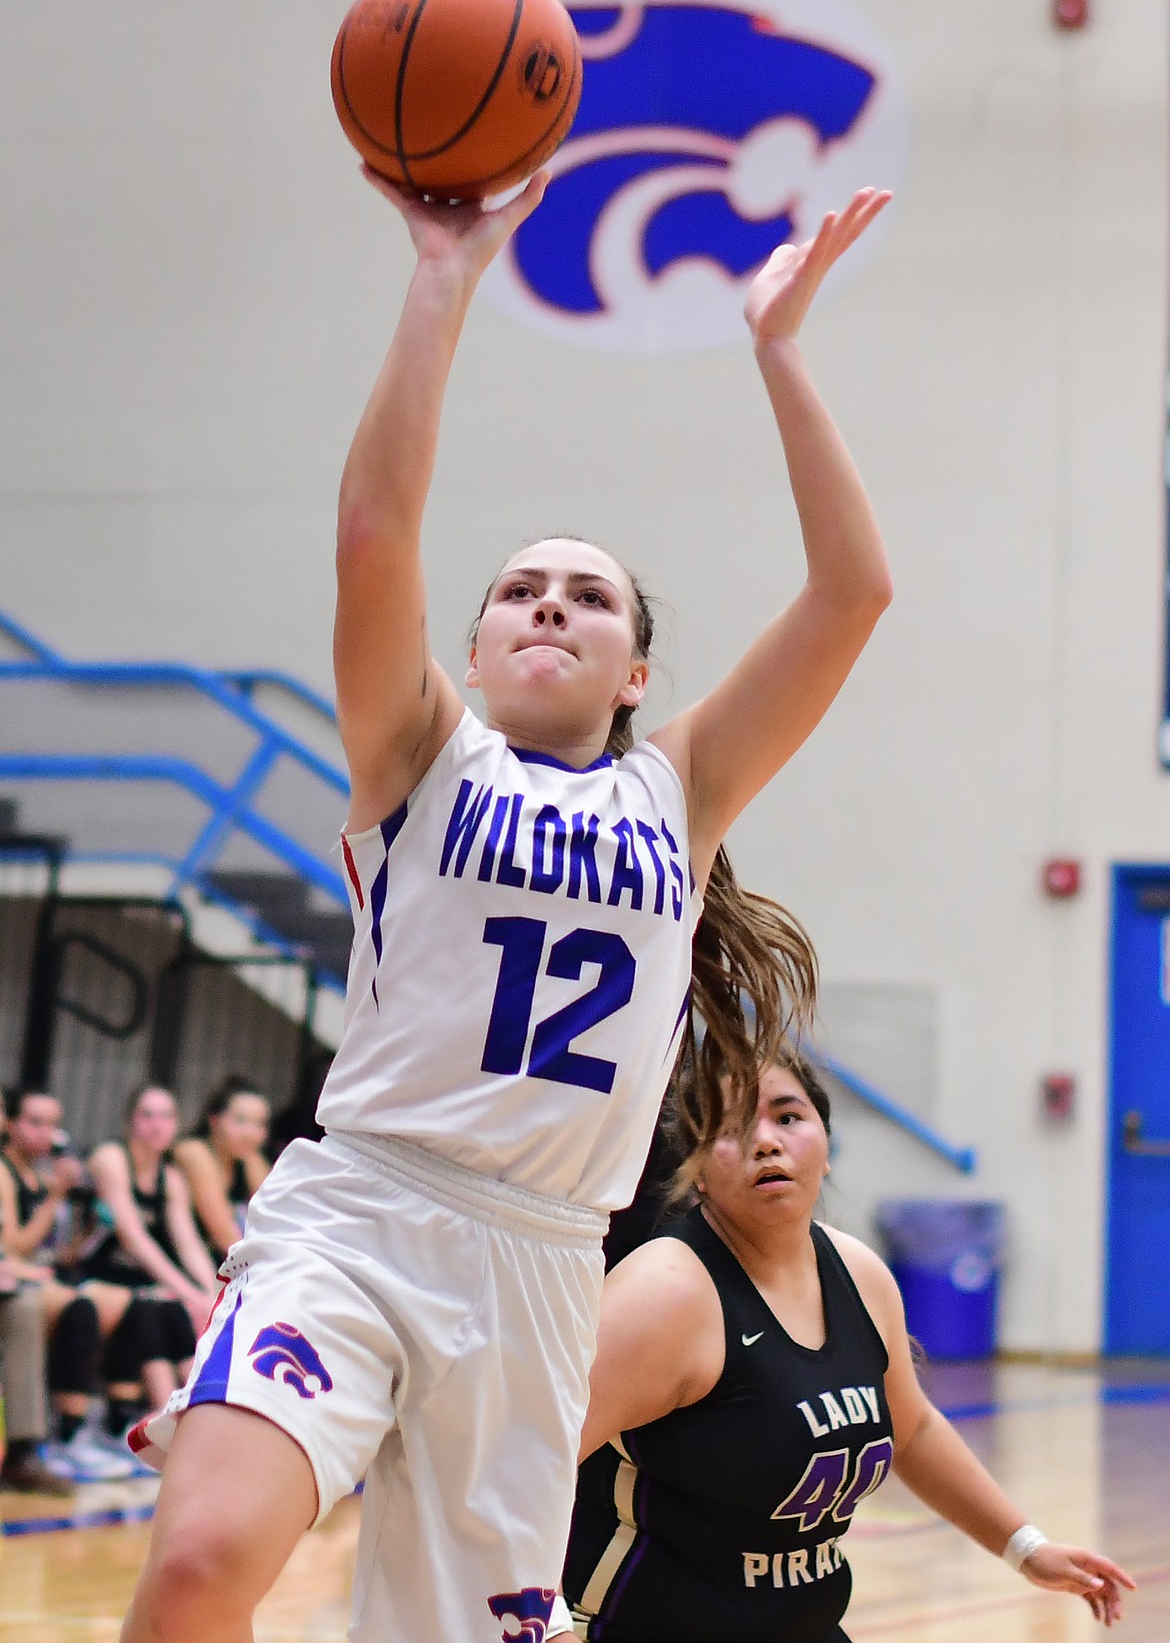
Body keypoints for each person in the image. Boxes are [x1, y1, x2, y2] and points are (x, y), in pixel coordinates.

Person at [120, 169, 893, 1643]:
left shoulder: (681, 790)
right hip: (363, 1211)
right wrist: (441, 272)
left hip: (541, 1269)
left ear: (636, 675)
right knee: (208, 1555)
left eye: (588, 598)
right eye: (520, 589)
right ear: (470, 649)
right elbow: (371, 531)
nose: (550, 604)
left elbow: (852, 591)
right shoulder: (421, 754)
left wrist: (780, 351)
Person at [556, 1054, 1135, 1641]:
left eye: (788, 1117)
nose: (766, 1142)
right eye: (730, 1129)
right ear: (697, 1169)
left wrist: (1025, 1547)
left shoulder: (859, 1273)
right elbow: (525, 1463)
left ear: (827, 1148)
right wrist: (542, 1621)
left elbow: (912, 1430)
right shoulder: (664, 1296)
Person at [0, 1086, 142, 1480]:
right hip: (22, 1278)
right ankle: (67, 1433)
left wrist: (92, 1228)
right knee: (80, 1310)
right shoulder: (6, 1174)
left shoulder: (44, 1174)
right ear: (10, 1124)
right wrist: (55, 1196)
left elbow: (59, 1253)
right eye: (34, 1122)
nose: (46, 1133)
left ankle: (111, 1426)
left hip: (45, 1275)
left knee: (132, 1306)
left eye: (53, 1124)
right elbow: (17, 1247)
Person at [86, 1085, 218, 1442]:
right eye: (147, 1114)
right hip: (91, 1277)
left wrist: (211, 1296)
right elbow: (134, 1238)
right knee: (157, 1307)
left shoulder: (170, 1178)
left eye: (166, 1116)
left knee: (176, 1309)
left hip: (138, 1284)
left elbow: (188, 1242)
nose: (157, 1124)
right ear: (131, 1120)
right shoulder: (111, 1158)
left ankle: (190, 1427)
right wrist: (190, 1292)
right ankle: (169, 1428)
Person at [172, 1076, 272, 1262]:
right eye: (240, 1120)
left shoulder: (247, 1157)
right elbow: (225, 1235)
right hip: (177, 1265)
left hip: (221, 1264)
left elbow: (277, 1215)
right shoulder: (194, 1152)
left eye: (260, 1124)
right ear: (214, 1120)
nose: (250, 1133)